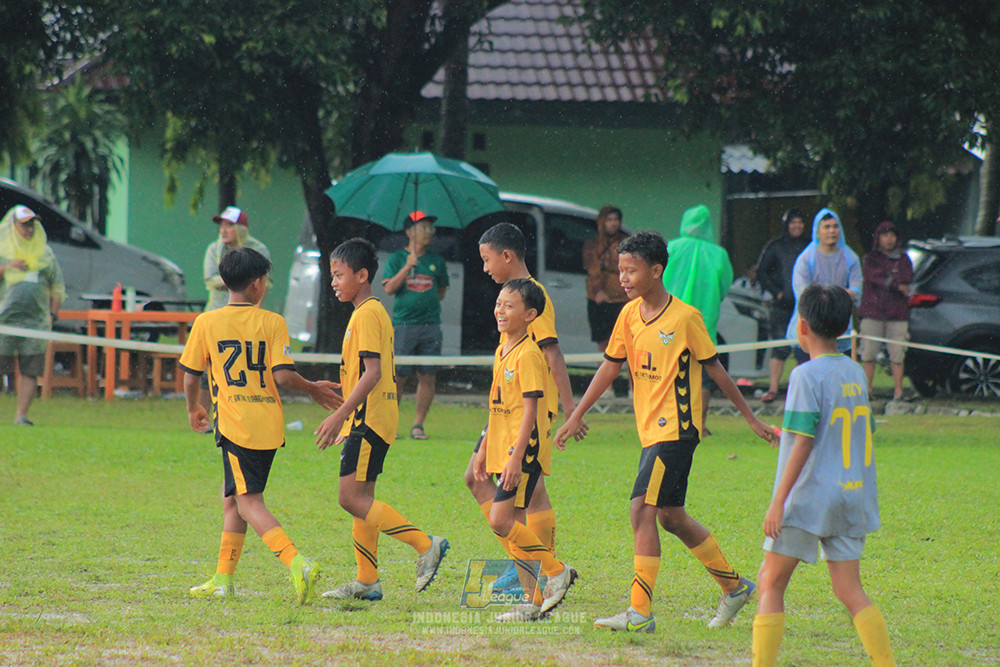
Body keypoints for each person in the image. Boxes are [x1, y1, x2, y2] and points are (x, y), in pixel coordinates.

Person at [556, 231, 775, 633]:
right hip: (650, 432)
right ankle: (734, 586)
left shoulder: (686, 318)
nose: (622, 278)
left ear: (656, 271)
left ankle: (640, 612)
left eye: (630, 270)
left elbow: (716, 371)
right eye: (620, 270)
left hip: (677, 430)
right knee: (671, 517)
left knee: (641, 510)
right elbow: (610, 366)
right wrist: (576, 413)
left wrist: (751, 419)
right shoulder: (628, 315)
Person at [179, 247, 341, 603]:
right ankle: (222, 579)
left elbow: (190, 376)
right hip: (267, 424)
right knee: (232, 501)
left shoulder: (207, 322)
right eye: (265, 279)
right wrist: (312, 387)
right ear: (256, 284)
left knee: (249, 501)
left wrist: (194, 408)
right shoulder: (272, 322)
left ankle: (298, 563)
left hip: (237, 425)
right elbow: (283, 375)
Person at [753, 284, 895, 667]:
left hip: (810, 496)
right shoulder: (854, 372)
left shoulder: (804, 375)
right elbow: (854, 430)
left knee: (770, 582)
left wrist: (777, 503)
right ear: (846, 327)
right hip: (853, 493)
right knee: (850, 590)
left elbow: (804, 443)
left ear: (801, 328)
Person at [315, 238, 449, 601]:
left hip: (368, 419)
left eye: (339, 275)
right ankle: (367, 580)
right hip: (370, 417)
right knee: (363, 498)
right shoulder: (365, 313)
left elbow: (372, 373)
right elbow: (365, 372)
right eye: (332, 276)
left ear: (362, 275)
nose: (334, 282)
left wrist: (341, 415)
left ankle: (426, 544)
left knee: (350, 498)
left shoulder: (369, 313)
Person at [464, 222, 584, 586]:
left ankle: (533, 568)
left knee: (516, 493)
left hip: (529, 409)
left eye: (487, 260)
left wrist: (570, 411)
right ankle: (529, 565)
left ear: (506, 256)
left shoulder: (533, 298)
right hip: (508, 406)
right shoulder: (510, 297)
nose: (485, 268)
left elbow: (553, 353)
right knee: (487, 480)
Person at [661, 205, 733, 435]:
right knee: (703, 373)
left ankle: (670, 423)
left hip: (669, 320)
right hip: (704, 321)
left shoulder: (671, 248)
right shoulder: (718, 254)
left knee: (670, 373)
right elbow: (724, 286)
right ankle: (699, 425)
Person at [198, 206, 272, 421]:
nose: (223, 230)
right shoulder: (214, 249)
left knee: (245, 367)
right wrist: (239, 277)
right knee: (207, 367)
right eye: (222, 225)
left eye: (229, 225)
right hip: (217, 314)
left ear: (242, 228)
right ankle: (203, 418)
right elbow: (210, 279)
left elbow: (266, 283)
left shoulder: (258, 249)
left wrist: (255, 308)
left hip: (249, 316)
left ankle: (243, 415)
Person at [381, 211, 449, 440]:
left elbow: (440, 292)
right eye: (424, 227)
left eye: (431, 228)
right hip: (403, 325)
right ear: (410, 232)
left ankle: (418, 425)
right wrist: (407, 267)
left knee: (427, 376)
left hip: (431, 326)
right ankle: (392, 423)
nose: (430, 232)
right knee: (398, 376)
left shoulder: (436, 261)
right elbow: (389, 288)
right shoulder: (398, 259)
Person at [0, 206, 66, 426]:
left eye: (31, 225)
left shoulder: (45, 254)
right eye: (24, 224)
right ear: (13, 225)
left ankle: (21, 415)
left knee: (30, 369)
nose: (28, 230)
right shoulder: (2, 249)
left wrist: (52, 314)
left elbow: (57, 286)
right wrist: (8, 267)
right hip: (4, 321)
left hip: (35, 322)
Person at [786, 208, 862, 358]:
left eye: (835, 226)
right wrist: (834, 299)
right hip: (810, 331)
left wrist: (827, 299)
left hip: (841, 332)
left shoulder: (851, 258)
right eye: (827, 227)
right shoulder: (805, 259)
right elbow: (803, 295)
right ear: (817, 231)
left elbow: (857, 290)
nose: (832, 231)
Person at [755, 209, 809, 403]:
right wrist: (776, 292)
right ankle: (773, 389)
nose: (797, 226)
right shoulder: (775, 246)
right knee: (779, 346)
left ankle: (803, 392)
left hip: (805, 305)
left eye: (800, 222)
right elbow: (761, 271)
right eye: (793, 223)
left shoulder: (810, 246)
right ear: (786, 225)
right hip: (782, 305)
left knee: (805, 348)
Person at [858, 221, 913, 401]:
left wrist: (889, 282)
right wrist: (895, 284)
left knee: (898, 354)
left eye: (892, 235)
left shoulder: (904, 259)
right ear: (878, 238)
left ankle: (898, 391)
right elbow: (874, 277)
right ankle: (867, 391)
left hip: (897, 314)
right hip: (872, 312)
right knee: (868, 353)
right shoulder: (870, 258)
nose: (889, 239)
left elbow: (907, 277)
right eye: (885, 235)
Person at [582, 205, 629, 351]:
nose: (614, 223)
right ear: (602, 221)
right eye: (609, 219)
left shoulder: (626, 242)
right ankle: (606, 374)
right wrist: (598, 291)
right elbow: (593, 270)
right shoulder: (593, 244)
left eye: (616, 219)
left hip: (622, 300)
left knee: (627, 343)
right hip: (600, 301)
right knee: (603, 345)